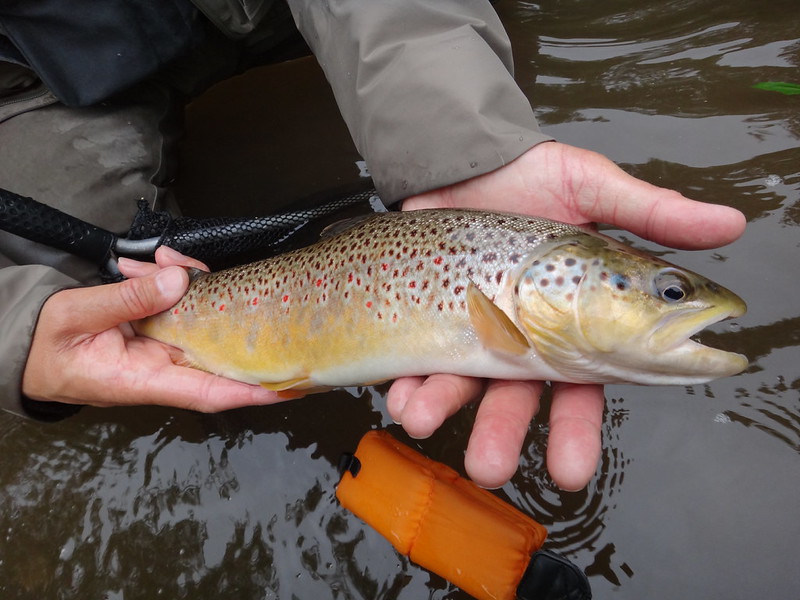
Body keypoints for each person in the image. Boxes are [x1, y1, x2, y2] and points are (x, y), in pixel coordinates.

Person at [1, 0, 745, 492]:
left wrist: (465, 144)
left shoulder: (519, 286)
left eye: (668, 292)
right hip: (32, 65)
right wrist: (18, 331)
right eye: (669, 294)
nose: (677, 301)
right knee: (58, 295)